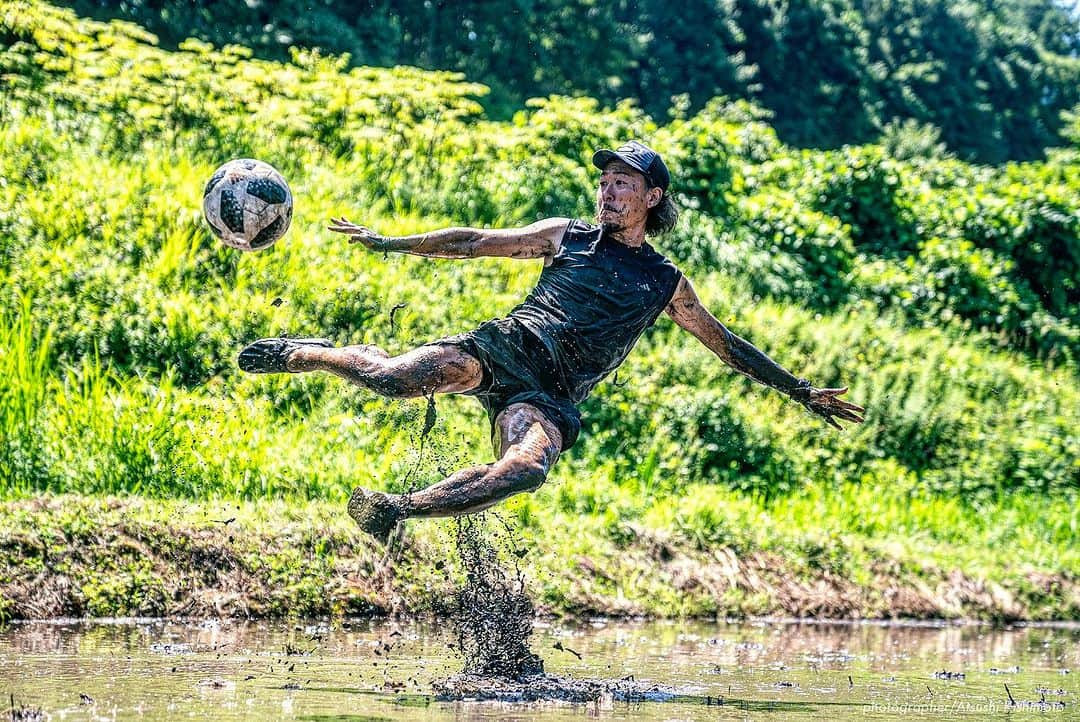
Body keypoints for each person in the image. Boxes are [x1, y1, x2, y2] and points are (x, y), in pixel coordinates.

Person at [238, 141, 865, 542]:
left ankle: (396, 510)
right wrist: (395, 242)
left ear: (652, 198)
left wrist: (802, 391)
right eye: (606, 181)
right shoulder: (565, 236)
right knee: (391, 380)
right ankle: (305, 352)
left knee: (524, 470)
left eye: (625, 183)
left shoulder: (665, 282)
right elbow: (476, 240)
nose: (610, 190)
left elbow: (728, 346)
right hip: (507, 347)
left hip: (552, 394)